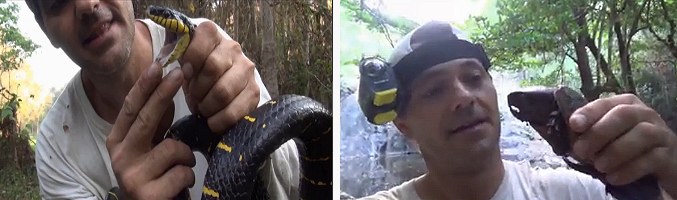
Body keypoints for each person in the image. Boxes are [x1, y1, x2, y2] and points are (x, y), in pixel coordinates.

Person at [359, 20, 677, 200]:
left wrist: (670, 176)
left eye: (473, 78)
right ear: (404, 126)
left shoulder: (575, 193)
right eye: (434, 91)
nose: (464, 97)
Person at [26, 1, 299, 199]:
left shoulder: (210, 49)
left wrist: (252, 135)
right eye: (58, 2)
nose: (86, 5)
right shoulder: (56, 147)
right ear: (45, 28)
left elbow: (295, 183)